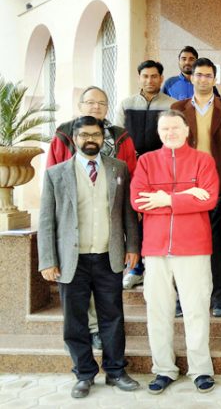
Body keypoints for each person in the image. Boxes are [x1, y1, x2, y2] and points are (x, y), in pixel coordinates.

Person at [38, 115, 140, 399]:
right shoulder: (56, 174)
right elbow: (46, 219)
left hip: (109, 256)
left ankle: (116, 371)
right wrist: (47, 259)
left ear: (101, 137)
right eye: (84, 135)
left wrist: (133, 246)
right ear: (74, 138)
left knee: (113, 317)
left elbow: (128, 214)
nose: (90, 139)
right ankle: (83, 374)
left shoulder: (118, 168)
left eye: (95, 134)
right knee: (75, 321)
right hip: (73, 261)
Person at [130, 110, 219, 395]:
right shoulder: (146, 161)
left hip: (193, 247)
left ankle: (201, 369)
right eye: (165, 129)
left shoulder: (203, 160)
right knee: (158, 311)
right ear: (159, 133)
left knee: (195, 311)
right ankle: (164, 369)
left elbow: (209, 200)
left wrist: (165, 198)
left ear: (186, 130)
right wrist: (189, 195)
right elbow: (138, 201)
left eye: (175, 128)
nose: (170, 133)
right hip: (155, 249)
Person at [46, 86, 138, 349]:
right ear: (80, 105)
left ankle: (101, 333)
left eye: (101, 103)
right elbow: (53, 177)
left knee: (107, 293)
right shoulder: (65, 134)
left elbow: (130, 174)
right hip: (73, 224)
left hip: (109, 224)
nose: (96, 107)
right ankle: (83, 336)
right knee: (77, 290)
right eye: (90, 102)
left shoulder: (119, 136)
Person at [172, 57, 221, 317]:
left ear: (215, 79)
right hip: (186, 190)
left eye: (208, 75)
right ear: (191, 77)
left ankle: (220, 297)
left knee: (218, 245)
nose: (203, 79)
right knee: (186, 247)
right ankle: (183, 298)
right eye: (198, 75)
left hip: (220, 187)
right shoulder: (177, 108)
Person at [115, 59, 176, 290]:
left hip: (161, 170)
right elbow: (119, 138)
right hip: (132, 169)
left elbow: (174, 136)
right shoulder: (126, 104)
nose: (149, 80)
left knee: (158, 215)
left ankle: (157, 264)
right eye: (145, 76)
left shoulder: (172, 104)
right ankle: (135, 267)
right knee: (134, 217)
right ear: (139, 78)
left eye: (154, 76)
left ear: (161, 78)